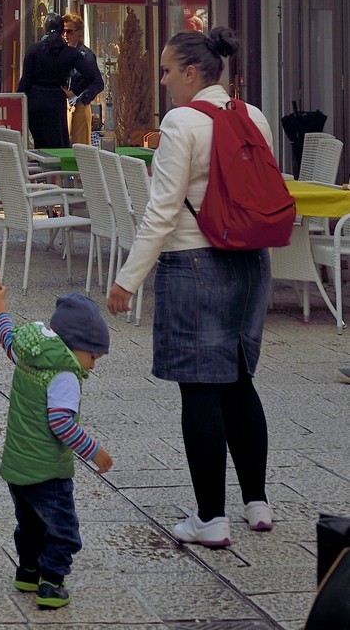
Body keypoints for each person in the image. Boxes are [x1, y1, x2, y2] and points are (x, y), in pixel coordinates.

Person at [108, 27, 274, 547]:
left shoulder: (181, 122)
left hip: (196, 262)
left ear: (191, 72)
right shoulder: (254, 115)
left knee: (201, 390)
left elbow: (162, 209)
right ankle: (257, 503)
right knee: (240, 380)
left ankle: (210, 519)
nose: (162, 81)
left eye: (166, 70)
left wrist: (127, 278)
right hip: (251, 262)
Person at [0, 285, 112, 610]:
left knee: (30, 525)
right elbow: (62, 424)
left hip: (17, 467)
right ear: (72, 346)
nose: (93, 365)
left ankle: (28, 571)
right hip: (47, 472)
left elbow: (7, 338)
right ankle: (52, 583)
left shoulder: (30, 351)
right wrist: (94, 451)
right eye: (92, 355)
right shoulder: (64, 374)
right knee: (63, 530)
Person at [18, 14, 88, 151]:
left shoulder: (33, 50)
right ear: (62, 31)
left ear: (45, 30)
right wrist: (74, 92)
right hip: (56, 100)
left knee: (39, 144)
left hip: (35, 101)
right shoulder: (70, 53)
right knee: (57, 144)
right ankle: (56, 171)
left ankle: (40, 170)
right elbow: (92, 76)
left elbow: (25, 81)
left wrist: (16, 102)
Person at [62, 14, 104, 148]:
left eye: (69, 31)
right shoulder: (65, 53)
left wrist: (81, 98)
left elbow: (98, 82)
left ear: (79, 33)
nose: (65, 35)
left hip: (80, 105)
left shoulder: (85, 54)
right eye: (63, 31)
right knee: (67, 146)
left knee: (80, 148)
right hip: (66, 105)